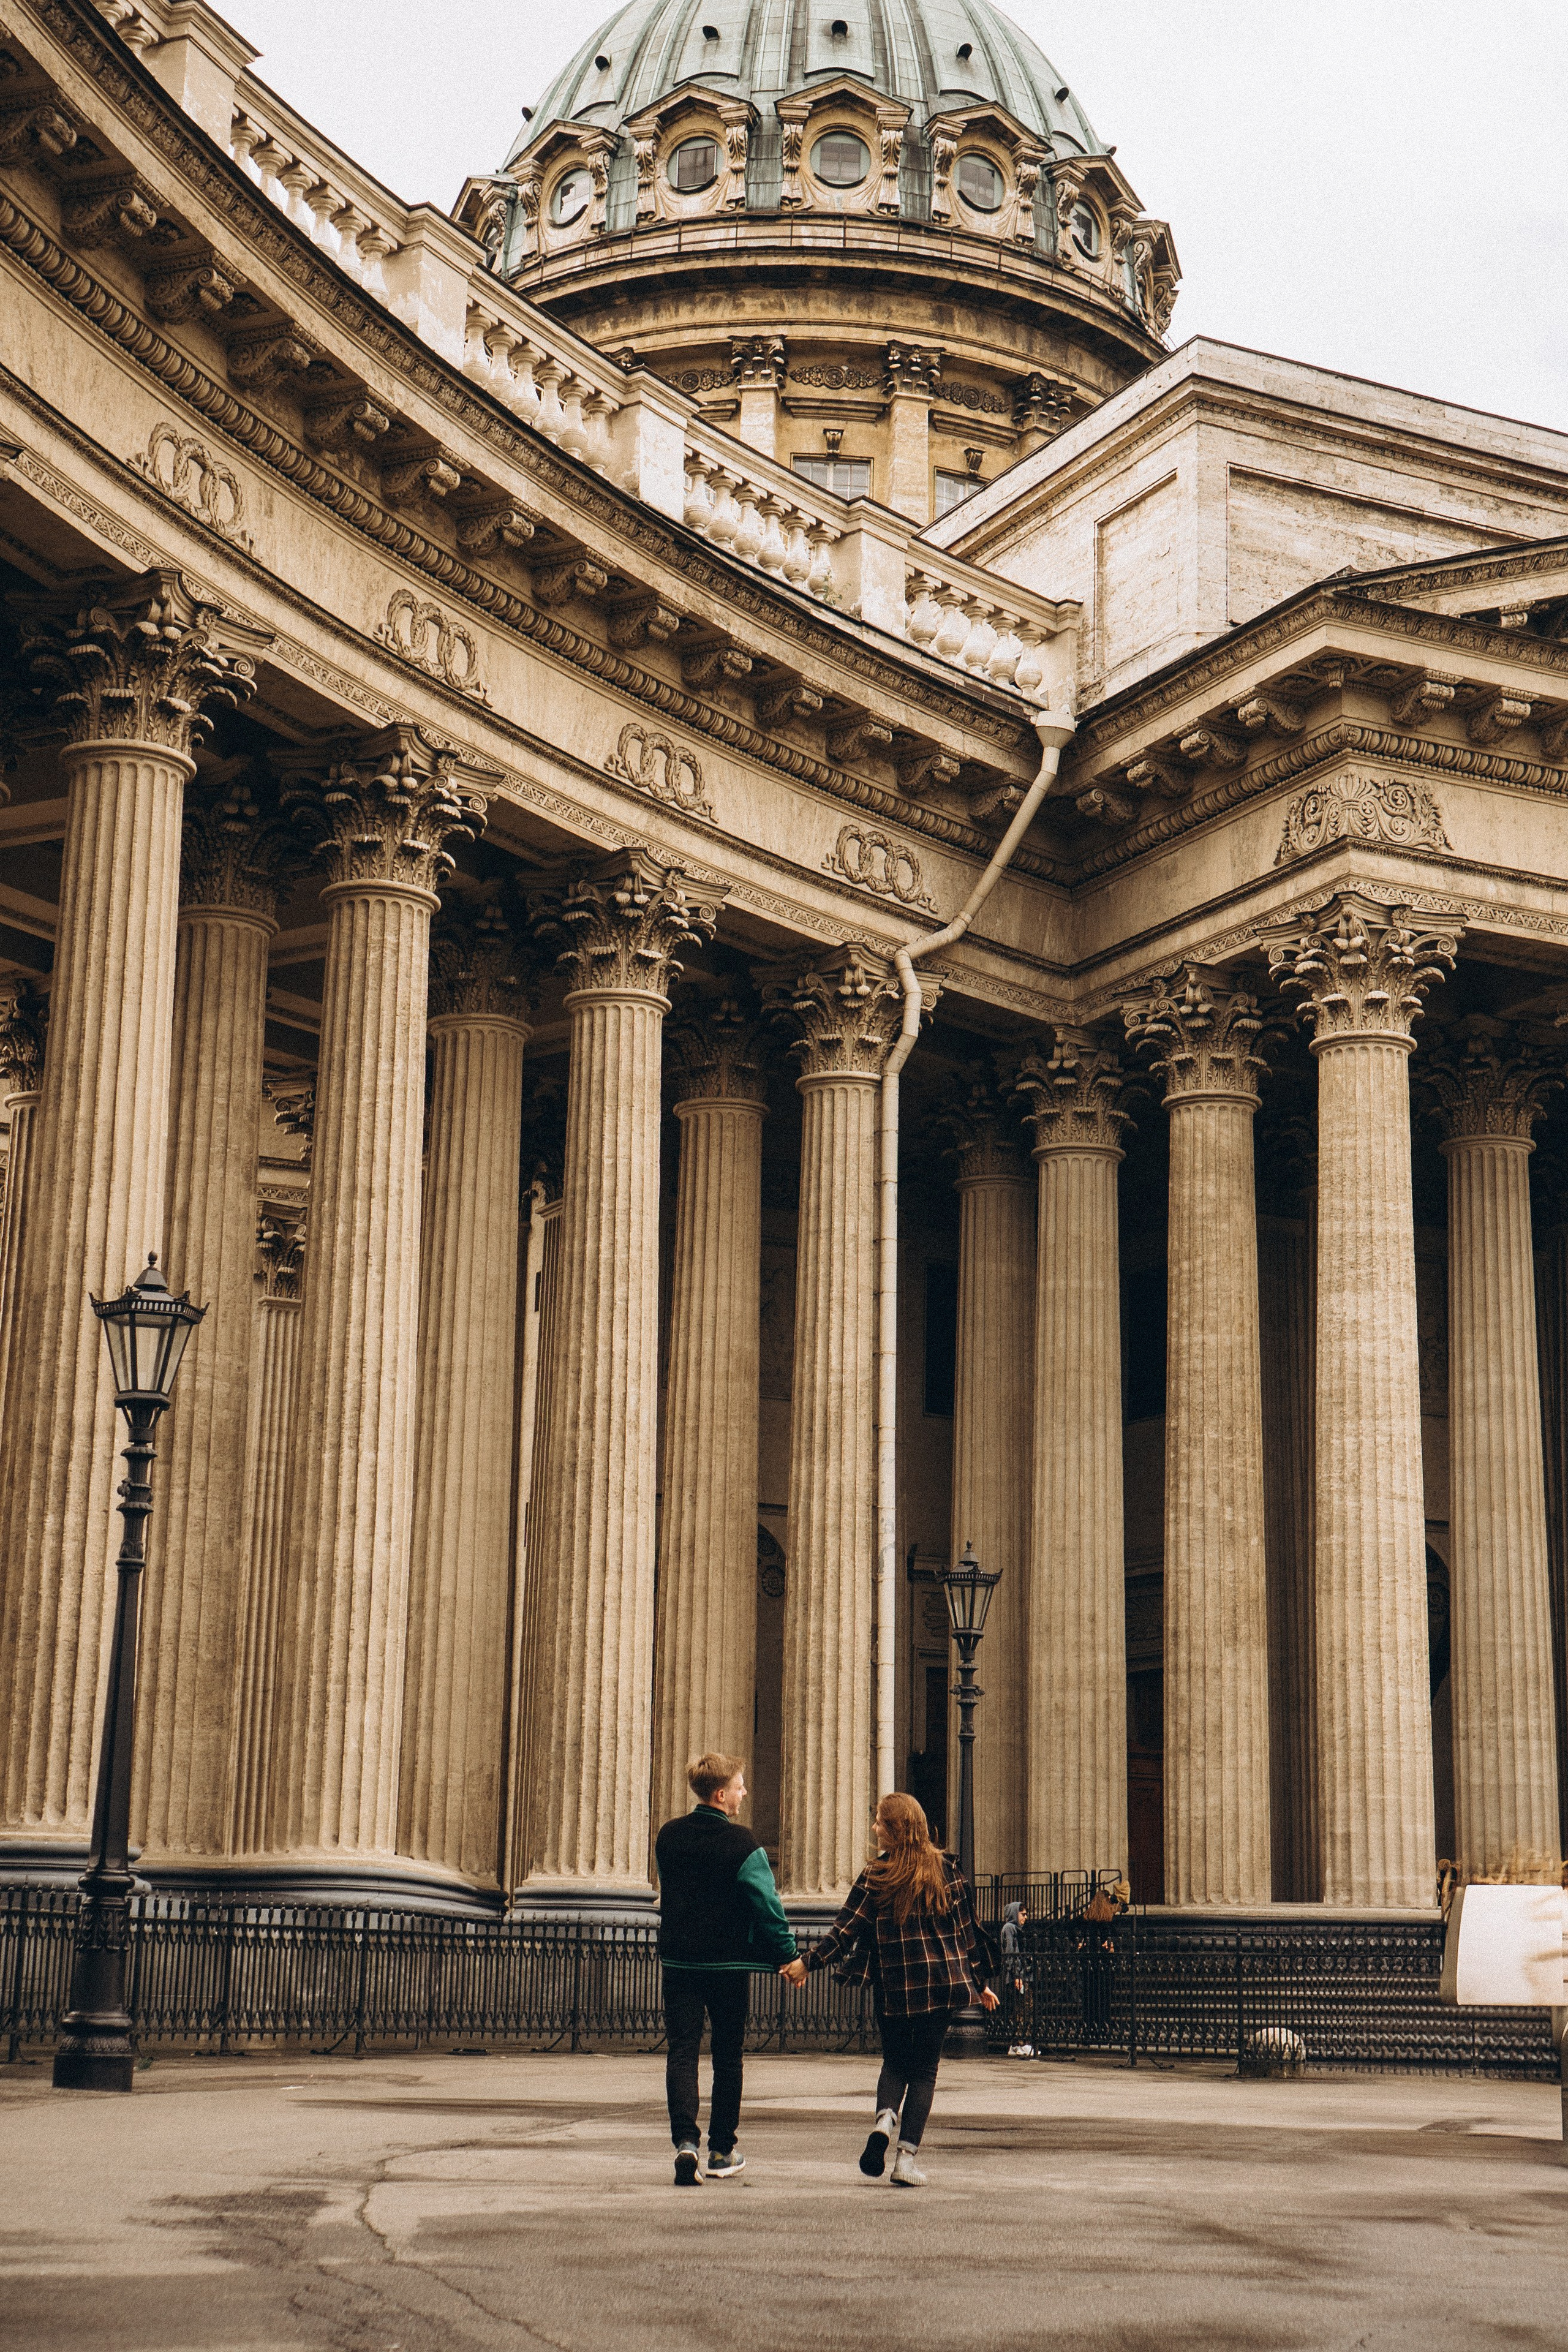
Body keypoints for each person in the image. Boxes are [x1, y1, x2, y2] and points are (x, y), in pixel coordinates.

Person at [780, 1791, 997, 2187]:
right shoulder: (949, 1871)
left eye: (880, 1821)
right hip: (942, 1988)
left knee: (895, 2063)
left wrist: (806, 1963)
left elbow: (845, 1932)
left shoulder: (876, 1875)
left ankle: (884, 2119)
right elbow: (969, 1938)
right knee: (925, 2073)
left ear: (895, 1829)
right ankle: (905, 2161)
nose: (875, 1827)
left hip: (895, 1987)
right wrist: (980, 1984)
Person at [653, 1751, 796, 2187]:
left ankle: (685, 2143)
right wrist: (787, 1953)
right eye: (739, 1786)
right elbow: (767, 1905)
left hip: (679, 1960)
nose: (744, 1792)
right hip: (728, 1965)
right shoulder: (743, 1844)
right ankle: (720, 2150)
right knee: (727, 2057)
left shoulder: (668, 1836)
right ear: (721, 1795)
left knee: (682, 2051)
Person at [1001, 1900, 1033, 2057]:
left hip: (1021, 1975)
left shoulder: (1015, 1929)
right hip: (1018, 1976)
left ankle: (1017, 2044)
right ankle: (1022, 2043)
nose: (1026, 1917)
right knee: (1024, 2009)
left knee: (1022, 2009)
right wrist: (1017, 1975)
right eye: (1023, 1914)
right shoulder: (1010, 1928)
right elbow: (1011, 1954)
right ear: (1015, 1913)